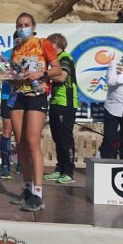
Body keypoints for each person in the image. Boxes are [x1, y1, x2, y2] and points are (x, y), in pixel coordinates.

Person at [8, 13, 62, 212]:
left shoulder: (43, 43)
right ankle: (28, 187)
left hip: (37, 95)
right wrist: (10, 76)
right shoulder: (16, 49)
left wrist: (41, 73)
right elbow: (14, 72)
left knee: (32, 142)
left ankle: (38, 193)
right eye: (20, 25)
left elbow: (57, 69)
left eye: (26, 24)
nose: (23, 28)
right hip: (17, 95)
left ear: (33, 26)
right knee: (20, 142)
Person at [44, 33, 78, 184]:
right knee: (57, 137)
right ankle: (60, 169)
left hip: (66, 102)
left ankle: (69, 172)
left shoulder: (65, 57)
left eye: (48, 44)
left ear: (55, 44)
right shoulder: (56, 60)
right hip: (56, 101)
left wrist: (42, 75)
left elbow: (61, 77)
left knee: (65, 138)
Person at [0, 31, 21, 179]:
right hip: (7, 96)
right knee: (7, 129)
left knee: (21, 132)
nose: (20, 41)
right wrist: (12, 76)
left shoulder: (29, 54)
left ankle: (21, 163)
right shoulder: (6, 55)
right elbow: (0, 75)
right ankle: (5, 165)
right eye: (17, 39)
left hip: (23, 96)